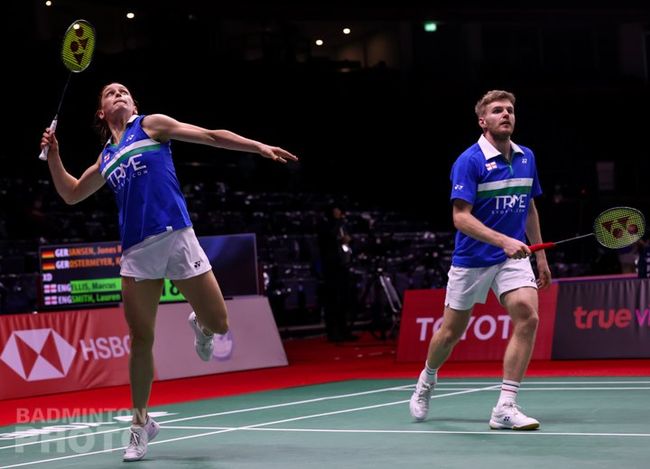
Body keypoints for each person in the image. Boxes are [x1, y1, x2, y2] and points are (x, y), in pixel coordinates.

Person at [39, 82, 298, 461]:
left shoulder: (151, 126)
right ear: (101, 112)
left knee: (219, 323)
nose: (119, 94)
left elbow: (209, 136)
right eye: (110, 93)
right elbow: (72, 193)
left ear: (134, 104)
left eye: (124, 91)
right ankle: (139, 424)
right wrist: (54, 156)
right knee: (141, 339)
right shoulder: (106, 157)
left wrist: (256, 145)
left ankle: (200, 326)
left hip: (176, 236)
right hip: (137, 251)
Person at [409, 90, 551, 430]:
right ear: (482, 121)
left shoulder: (526, 157)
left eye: (510, 110)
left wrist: (540, 255)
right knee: (450, 333)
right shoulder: (469, 161)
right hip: (473, 258)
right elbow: (460, 218)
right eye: (498, 110)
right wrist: (504, 241)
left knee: (528, 316)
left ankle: (505, 406)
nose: (506, 114)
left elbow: (529, 207)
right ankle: (427, 379)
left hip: (512, 258)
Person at [317, 205, 357, 342]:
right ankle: (333, 333)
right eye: (336, 212)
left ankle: (344, 331)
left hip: (343, 265)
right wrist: (339, 222)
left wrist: (349, 239)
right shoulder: (325, 225)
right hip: (331, 268)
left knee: (345, 300)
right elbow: (329, 237)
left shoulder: (343, 226)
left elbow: (348, 240)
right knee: (333, 300)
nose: (339, 213)